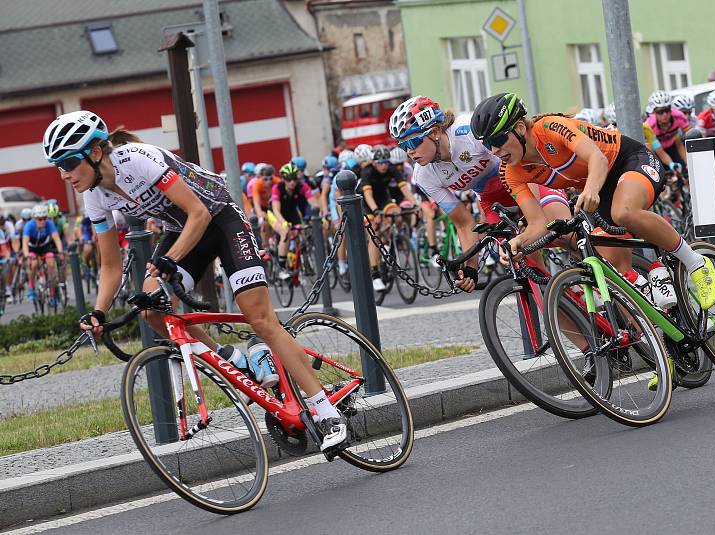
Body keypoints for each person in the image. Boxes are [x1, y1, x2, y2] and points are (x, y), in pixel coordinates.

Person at [43, 110, 347, 450]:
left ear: (96, 153)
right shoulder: (94, 197)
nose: (64, 174)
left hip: (220, 220)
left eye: (68, 162)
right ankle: (234, 362)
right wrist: (98, 312)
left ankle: (325, 411)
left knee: (260, 320)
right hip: (182, 231)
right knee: (152, 309)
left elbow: (199, 213)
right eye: (58, 166)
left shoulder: (138, 160)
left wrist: (170, 259)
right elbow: (111, 267)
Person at [470, 92, 715, 316]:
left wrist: (590, 189)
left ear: (520, 128)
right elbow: (537, 223)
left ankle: (697, 264)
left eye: (499, 139)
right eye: (486, 144)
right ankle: (661, 337)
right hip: (600, 191)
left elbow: (597, 159)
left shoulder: (550, 128)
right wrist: (517, 242)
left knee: (624, 212)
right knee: (609, 264)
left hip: (628, 162)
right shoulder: (511, 172)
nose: (494, 150)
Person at [389, 95, 571, 293]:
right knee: (530, 270)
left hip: (526, 180)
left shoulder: (467, 132)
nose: (409, 152)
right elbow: (464, 222)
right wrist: (470, 268)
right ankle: (565, 315)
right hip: (493, 202)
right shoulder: (423, 175)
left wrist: (533, 214)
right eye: (403, 146)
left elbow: (519, 159)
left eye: (412, 143)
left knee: (564, 234)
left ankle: (601, 287)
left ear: (434, 132)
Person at [359, 144, 419, 291]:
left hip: (383, 198)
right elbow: (367, 195)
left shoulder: (392, 169)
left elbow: (404, 188)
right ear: (374, 162)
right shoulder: (367, 171)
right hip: (366, 203)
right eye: (380, 163)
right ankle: (375, 274)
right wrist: (375, 211)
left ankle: (388, 243)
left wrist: (415, 204)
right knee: (374, 230)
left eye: (386, 162)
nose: (384, 166)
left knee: (397, 215)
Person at [272, 162, 319, 280]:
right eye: (288, 179)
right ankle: (281, 268)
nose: (292, 182)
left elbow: (313, 203)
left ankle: (303, 258)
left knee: (302, 231)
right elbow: (276, 210)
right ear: (283, 179)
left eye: (294, 178)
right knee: (285, 231)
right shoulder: (277, 188)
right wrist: (284, 223)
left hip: (292, 212)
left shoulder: (302, 186)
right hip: (275, 214)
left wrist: (318, 215)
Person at [22, 203, 64, 302]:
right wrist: (26, 255)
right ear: (34, 219)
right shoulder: (29, 225)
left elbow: (57, 239)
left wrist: (61, 252)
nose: (43, 221)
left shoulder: (49, 223)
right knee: (34, 264)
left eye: (45, 218)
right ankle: (31, 287)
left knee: (51, 263)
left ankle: (52, 291)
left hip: (44, 246)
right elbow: (25, 242)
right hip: (32, 247)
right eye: (40, 219)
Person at [645, 90, 690, 171]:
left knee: (683, 168)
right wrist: (670, 163)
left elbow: (691, 136)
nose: (665, 114)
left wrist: (689, 163)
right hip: (657, 150)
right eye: (660, 112)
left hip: (674, 145)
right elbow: (658, 150)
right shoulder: (649, 125)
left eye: (667, 110)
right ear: (654, 112)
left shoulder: (679, 116)